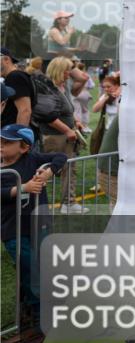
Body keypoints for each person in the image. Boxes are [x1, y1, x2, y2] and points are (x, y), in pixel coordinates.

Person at [1, 124, 67, 319]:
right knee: (29, 269)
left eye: (7, 143)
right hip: (13, 230)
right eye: (0, 141)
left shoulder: (32, 159)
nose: (1, 146)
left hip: (40, 225)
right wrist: (23, 188)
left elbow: (61, 156)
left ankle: (30, 305)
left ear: (24, 147)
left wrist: (49, 171)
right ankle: (39, 312)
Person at [43, 57, 86, 213]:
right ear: (59, 70)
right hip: (55, 136)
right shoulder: (47, 87)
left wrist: (75, 122)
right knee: (53, 170)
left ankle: (68, 203)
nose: (70, 73)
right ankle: (64, 204)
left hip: (67, 135)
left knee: (70, 169)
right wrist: (67, 130)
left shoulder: (64, 85)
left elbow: (67, 108)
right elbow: (48, 116)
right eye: (67, 69)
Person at [1, 47, 34, 128]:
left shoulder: (15, 77)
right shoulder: (14, 76)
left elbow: (25, 110)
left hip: (13, 136)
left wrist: (19, 137)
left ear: (6, 59)